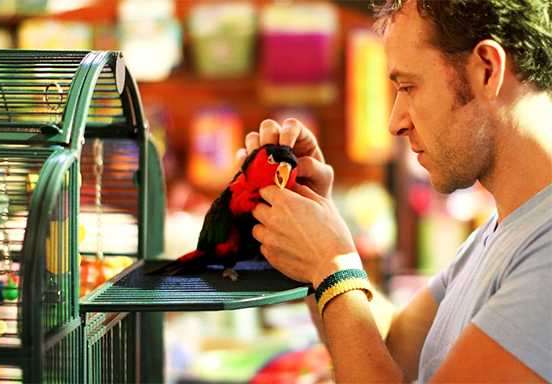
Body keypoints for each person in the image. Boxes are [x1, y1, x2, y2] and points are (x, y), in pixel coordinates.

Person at [236, 0, 552, 382]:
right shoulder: (505, 228)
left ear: (487, 69)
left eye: (408, 86)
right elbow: (391, 349)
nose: (395, 122)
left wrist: (329, 267)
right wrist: (316, 234)